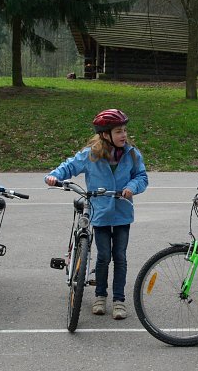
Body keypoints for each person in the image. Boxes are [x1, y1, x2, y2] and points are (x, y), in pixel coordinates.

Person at [44, 109, 148, 320]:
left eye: (124, 130)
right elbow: (69, 166)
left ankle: (119, 300)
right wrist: (54, 176)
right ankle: (100, 295)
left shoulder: (132, 154)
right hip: (100, 213)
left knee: (120, 256)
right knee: (103, 256)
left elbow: (142, 177)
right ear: (105, 135)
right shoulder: (90, 154)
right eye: (118, 131)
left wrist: (131, 187)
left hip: (122, 213)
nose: (124, 135)